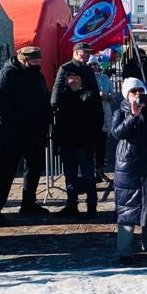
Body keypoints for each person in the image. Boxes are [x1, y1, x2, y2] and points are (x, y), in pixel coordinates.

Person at [0, 46, 51, 225]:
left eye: (39, 61)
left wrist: (46, 116)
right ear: (23, 60)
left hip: (34, 132)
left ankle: (28, 203)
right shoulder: (5, 75)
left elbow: (44, 97)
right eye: (35, 61)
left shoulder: (37, 75)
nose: (38, 64)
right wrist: (21, 119)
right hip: (11, 133)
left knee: (34, 167)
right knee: (5, 173)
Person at [111, 77, 147, 266]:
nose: (137, 95)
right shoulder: (121, 110)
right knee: (128, 209)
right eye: (133, 91)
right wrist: (132, 116)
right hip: (128, 166)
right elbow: (118, 133)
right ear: (126, 94)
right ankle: (125, 251)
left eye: (140, 91)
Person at [51, 42, 104, 217]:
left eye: (88, 53)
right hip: (67, 129)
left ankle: (91, 205)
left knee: (87, 170)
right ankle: (71, 204)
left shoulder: (88, 70)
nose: (86, 55)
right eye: (83, 53)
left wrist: (97, 129)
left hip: (85, 132)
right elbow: (56, 98)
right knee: (70, 172)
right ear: (75, 52)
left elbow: (95, 100)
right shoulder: (65, 68)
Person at [90, 56, 116, 183]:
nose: (94, 67)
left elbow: (114, 96)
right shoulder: (86, 78)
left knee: (101, 144)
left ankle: (100, 170)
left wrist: (106, 96)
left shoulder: (105, 78)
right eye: (91, 65)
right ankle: (91, 172)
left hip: (105, 114)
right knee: (91, 145)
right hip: (91, 115)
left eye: (95, 65)